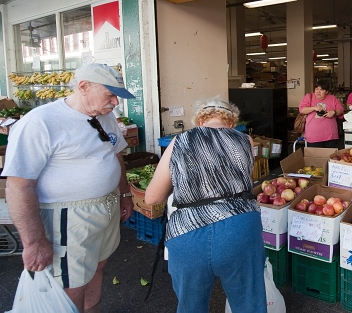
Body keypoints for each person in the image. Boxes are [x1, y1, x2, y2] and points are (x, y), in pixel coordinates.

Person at [3, 63, 135, 313]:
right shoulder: (40, 122)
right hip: (68, 218)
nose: (115, 102)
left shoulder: (104, 116)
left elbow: (115, 154)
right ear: (83, 87)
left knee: (96, 266)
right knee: (70, 284)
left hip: (105, 208)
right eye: (110, 94)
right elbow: (19, 187)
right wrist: (33, 242)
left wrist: (124, 194)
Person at [145, 96, 266, 313]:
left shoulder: (179, 142)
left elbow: (152, 197)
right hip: (239, 227)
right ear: (231, 123)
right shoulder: (245, 140)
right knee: (248, 303)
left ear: (200, 121)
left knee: (191, 306)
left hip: (189, 232)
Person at [299, 79, 344, 148]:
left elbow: (341, 110)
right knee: (314, 157)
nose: (318, 92)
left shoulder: (332, 98)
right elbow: (302, 110)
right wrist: (314, 108)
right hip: (313, 136)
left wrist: (334, 112)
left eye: (321, 90)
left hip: (330, 136)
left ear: (327, 91)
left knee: (329, 157)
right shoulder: (309, 97)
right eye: (316, 89)